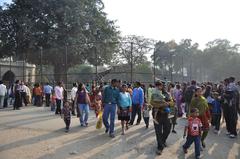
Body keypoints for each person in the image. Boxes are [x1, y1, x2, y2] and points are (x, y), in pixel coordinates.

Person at [150, 81, 171, 155]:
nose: (162, 87)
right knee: (158, 132)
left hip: (166, 115)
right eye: (159, 86)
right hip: (157, 115)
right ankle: (160, 147)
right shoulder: (154, 94)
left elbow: (171, 103)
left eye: (163, 86)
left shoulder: (168, 94)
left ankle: (162, 141)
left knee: (168, 129)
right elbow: (152, 102)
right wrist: (161, 105)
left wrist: (169, 103)